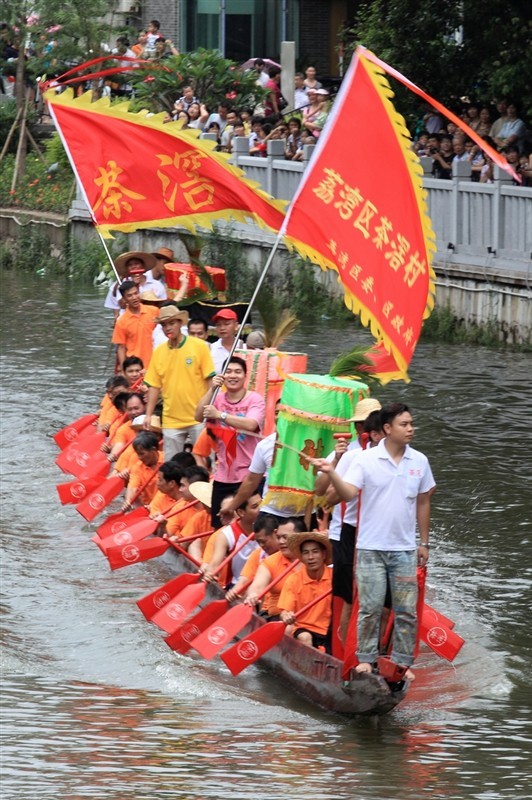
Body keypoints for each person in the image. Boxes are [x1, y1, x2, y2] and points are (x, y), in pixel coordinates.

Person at [313, 403, 436, 680]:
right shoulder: (364, 460)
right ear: (387, 429)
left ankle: (401, 663)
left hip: (404, 550)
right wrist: (331, 471)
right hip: (369, 548)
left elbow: (424, 500)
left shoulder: (419, 461)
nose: (410, 429)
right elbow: (346, 494)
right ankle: (366, 659)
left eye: (411, 423)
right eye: (404, 424)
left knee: (405, 611)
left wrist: (424, 543)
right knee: (369, 607)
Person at [315, 399, 383, 643]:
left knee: (377, 599)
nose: (363, 429)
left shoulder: (395, 455)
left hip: (379, 535)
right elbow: (322, 493)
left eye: (369, 423)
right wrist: (335, 463)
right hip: (345, 532)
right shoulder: (347, 453)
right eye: (361, 424)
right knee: (346, 597)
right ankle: (340, 646)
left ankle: (375, 649)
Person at [195, 357, 265, 526]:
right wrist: (212, 389)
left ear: (245, 375)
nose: (233, 375)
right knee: (219, 525)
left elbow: (251, 424)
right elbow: (198, 416)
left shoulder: (255, 399)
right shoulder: (217, 399)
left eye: (238, 371)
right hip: (223, 475)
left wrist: (220, 415)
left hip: (249, 475)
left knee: (251, 525)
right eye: (229, 371)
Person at [143, 306, 216, 458]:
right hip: (171, 419)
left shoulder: (199, 346)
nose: (168, 328)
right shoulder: (159, 352)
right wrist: (148, 414)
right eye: (164, 325)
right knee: (171, 466)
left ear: (180, 323)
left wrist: (213, 410)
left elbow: (210, 380)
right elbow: (154, 386)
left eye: (171, 323)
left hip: (198, 417)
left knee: (205, 463)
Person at [278, 531, 333, 651]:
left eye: (315, 551)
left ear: (323, 554)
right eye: (306, 553)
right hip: (304, 629)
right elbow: (284, 611)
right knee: (305, 637)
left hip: (329, 631)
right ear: (301, 557)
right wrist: (287, 615)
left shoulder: (335, 579)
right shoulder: (293, 580)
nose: (311, 557)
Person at [243, 517, 305, 618]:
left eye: (285, 537)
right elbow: (257, 586)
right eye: (279, 537)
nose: (280, 541)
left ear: (300, 537)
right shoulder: (270, 562)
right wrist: (253, 595)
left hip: (308, 620)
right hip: (276, 616)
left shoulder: (313, 559)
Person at [200, 493, 262, 588]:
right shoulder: (226, 535)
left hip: (260, 587)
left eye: (262, 503)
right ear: (241, 512)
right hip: (235, 586)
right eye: (255, 507)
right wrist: (209, 572)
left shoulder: (270, 530)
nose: (261, 509)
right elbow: (214, 564)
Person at [225, 515, 280, 602]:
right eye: (258, 542)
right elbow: (244, 580)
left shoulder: (289, 554)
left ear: (275, 533)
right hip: (261, 603)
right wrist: (234, 592)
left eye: (263, 541)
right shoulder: (257, 554)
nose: (261, 545)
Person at [111, 280, 159, 372]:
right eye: (129, 295)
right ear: (124, 299)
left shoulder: (154, 311)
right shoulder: (121, 321)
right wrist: (123, 370)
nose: (134, 297)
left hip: (155, 364)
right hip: (135, 368)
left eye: (136, 293)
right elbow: (121, 348)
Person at [122, 431, 164, 511]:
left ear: (153, 450)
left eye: (142, 454)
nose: (139, 458)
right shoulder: (137, 467)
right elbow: (132, 487)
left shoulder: (167, 460)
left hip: (164, 507)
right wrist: (128, 501)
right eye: (138, 454)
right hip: (147, 508)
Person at [209, 308, 244, 373]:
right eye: (218, 325)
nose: (222, 328)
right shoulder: (211, 349)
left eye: (226, 324)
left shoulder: (245, 348)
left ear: (236, 326)